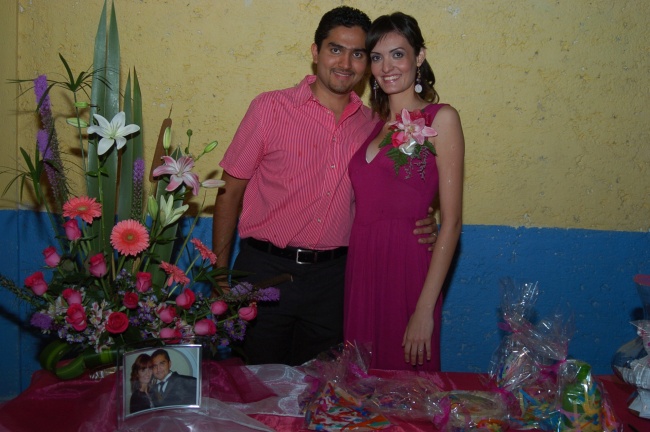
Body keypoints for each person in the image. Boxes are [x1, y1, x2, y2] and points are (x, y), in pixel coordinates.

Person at [212, 6, 438, 367]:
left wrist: (423, 221)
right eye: (335, 49)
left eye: (358, 53)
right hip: (265, 271)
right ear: (316, 52)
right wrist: (220, 275)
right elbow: (229, 193)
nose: (345, 63)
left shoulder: (374, 127)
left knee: (323, 389)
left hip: (336, 281)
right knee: (256, 384)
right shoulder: (269, 108)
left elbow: (388, 193)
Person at [344, 12, 465, 371]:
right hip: (362, 267)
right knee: (361, 384)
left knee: (407, 386)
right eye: (377, 57)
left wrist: (425, 309)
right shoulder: (372, 125)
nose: (387, 67)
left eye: (398, 54)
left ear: (419, 56)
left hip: (407, 267)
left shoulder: (441, 118)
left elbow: (452, 222)